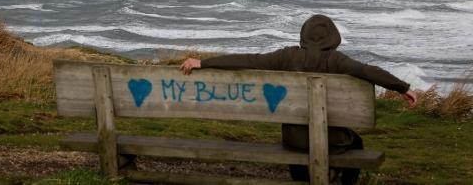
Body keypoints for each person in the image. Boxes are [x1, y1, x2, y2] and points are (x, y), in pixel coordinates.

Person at [179, 14, 418, 184]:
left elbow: (250, 60)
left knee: (298, 138)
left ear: (303, 35)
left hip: (294, 138)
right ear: (332, 38)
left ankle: (304, 177)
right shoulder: (337, 61)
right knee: (355, 142)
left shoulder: (286, 56)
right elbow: (368, 71)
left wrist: (202, 63)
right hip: (332, 139)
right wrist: (402, 87)